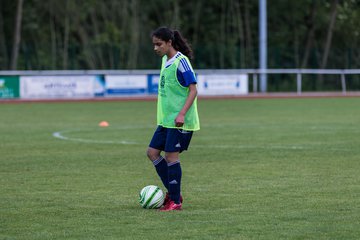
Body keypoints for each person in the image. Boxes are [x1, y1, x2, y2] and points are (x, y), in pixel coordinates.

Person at [146, 27, 200, 211]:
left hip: (179, 121)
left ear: (169, 42)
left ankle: (175, 201)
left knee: (171, 157)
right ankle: (174, 191)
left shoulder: (181, 62)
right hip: (165, 121)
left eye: (158, 44)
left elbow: (193, 90)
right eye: (154, 44)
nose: (155, 48)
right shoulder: (164, 60)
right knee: (152, 153)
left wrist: (182, 113)